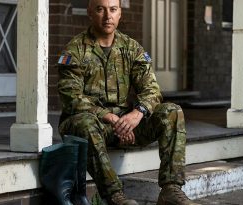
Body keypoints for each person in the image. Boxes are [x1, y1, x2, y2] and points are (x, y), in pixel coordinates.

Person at [57, 0, 201, 204]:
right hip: (89, 125)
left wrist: (136, 114)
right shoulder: (75, 50)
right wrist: (111, 118)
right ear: (90, 12)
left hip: (125, 125)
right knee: (84, 123)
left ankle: (171, 189)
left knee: (172, 110)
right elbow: (70, 96)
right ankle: (114, 195)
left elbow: (151, 90)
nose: (107, 16)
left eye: (113, 9)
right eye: (100, 9)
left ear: (120, 14)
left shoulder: (131, 48)